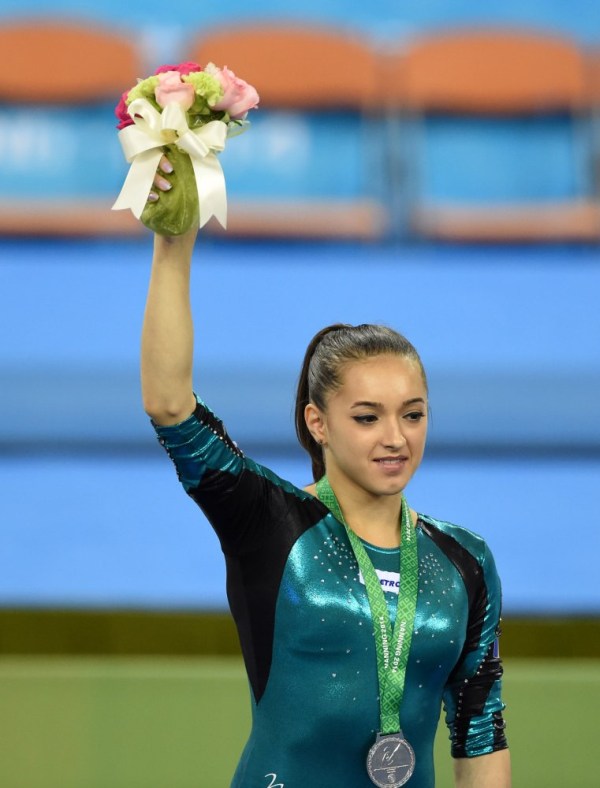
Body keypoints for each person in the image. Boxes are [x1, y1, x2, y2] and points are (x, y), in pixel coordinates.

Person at [141, 157, 511, 787]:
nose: (395, 438)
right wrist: (173, 244)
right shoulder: (269, 523)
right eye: (367, 417)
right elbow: (171, 407)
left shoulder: (465, 560)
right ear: (318, 422)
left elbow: (481, 729)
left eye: (413, 415)